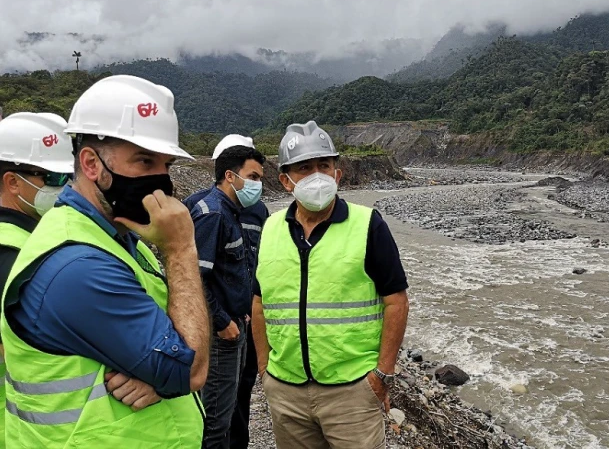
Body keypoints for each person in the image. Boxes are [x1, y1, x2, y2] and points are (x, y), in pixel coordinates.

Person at [0, 75, 210, 447]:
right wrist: (180, 250)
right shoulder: (76, 266)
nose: (160, 179)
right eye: (144, 161)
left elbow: (172, 350)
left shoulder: (125, 237)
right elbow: (189, 368)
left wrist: (159, 377)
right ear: (91, 164)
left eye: (166, 164)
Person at [254, 121, 410, 449]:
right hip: (286, 392)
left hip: (352, 392)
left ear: (337, 174)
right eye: (304, 168)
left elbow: (396, 300)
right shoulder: (269, 229)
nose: (317, 175)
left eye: (324, 165)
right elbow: (258, 302)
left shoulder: (368, 225)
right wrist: (264, 370)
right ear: (285, 180)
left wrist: (382, 374)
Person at [183, 134, 268, 449]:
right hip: (221, 334)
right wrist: (221, 321)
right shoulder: (212, 213)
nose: (258, 185)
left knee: (233, 406)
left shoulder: (238, 211)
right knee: (216, 420)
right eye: (254, 177)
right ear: (230, 176)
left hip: (238, 322)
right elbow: (193, 277)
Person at [0, 112, 74, 448]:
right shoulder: (12, 255)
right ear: (13, 182)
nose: (64, 187)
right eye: (53, 176)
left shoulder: (33, 239)